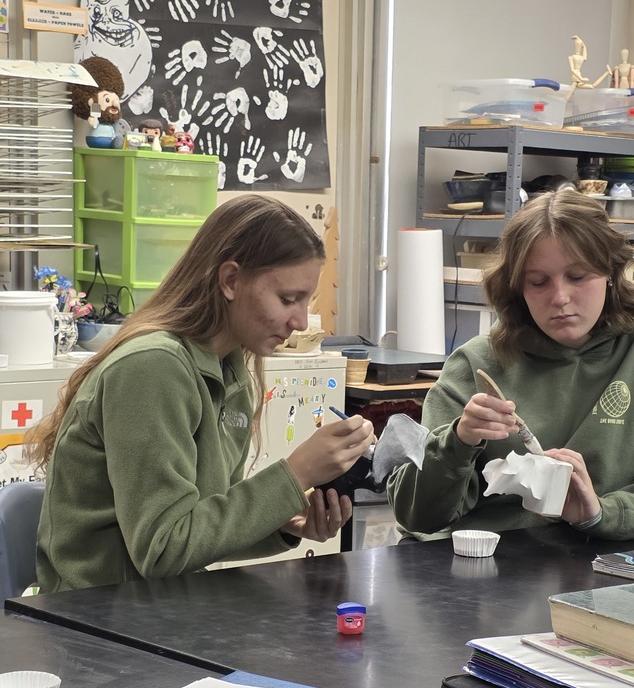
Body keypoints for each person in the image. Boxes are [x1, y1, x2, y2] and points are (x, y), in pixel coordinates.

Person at [27, 194, 374, 592]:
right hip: (97, 618)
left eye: (305, 302)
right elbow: (163, 549)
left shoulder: (229, 372)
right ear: (230, 280)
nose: (299, 321)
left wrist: (279, 519)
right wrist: (295, 475)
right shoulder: (153, 367)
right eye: (287, 299)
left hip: (160, 605)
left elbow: (200, 526)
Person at [388, 188, 634, 542]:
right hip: (488, 572)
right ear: (516, 290)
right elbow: (416, 515)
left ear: (611, 272)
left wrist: (600, 512)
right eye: (538, 282)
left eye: (578, 276)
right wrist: (458, 442)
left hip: (605, 565)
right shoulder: (475, 365)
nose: (560, 298)